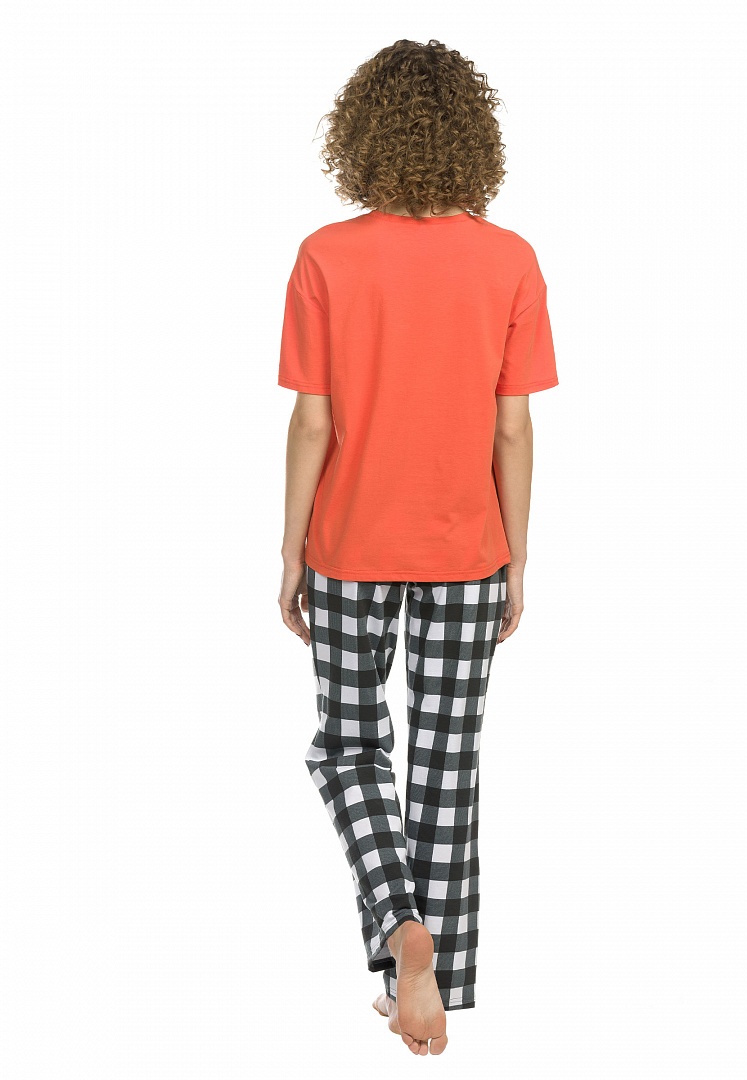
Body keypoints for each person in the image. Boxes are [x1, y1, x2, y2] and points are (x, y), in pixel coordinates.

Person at [277, 38, 558, 1056]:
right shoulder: (510, 260)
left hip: (349, 545)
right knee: (447, 763)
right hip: (468, 549)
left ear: (361, 136)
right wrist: (516, 554)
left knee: (349, 748)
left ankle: (400, 930)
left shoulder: (325, 256)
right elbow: (513, 427)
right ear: (472, 137)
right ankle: (435, 981)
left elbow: (313, 420)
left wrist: (291, 552)